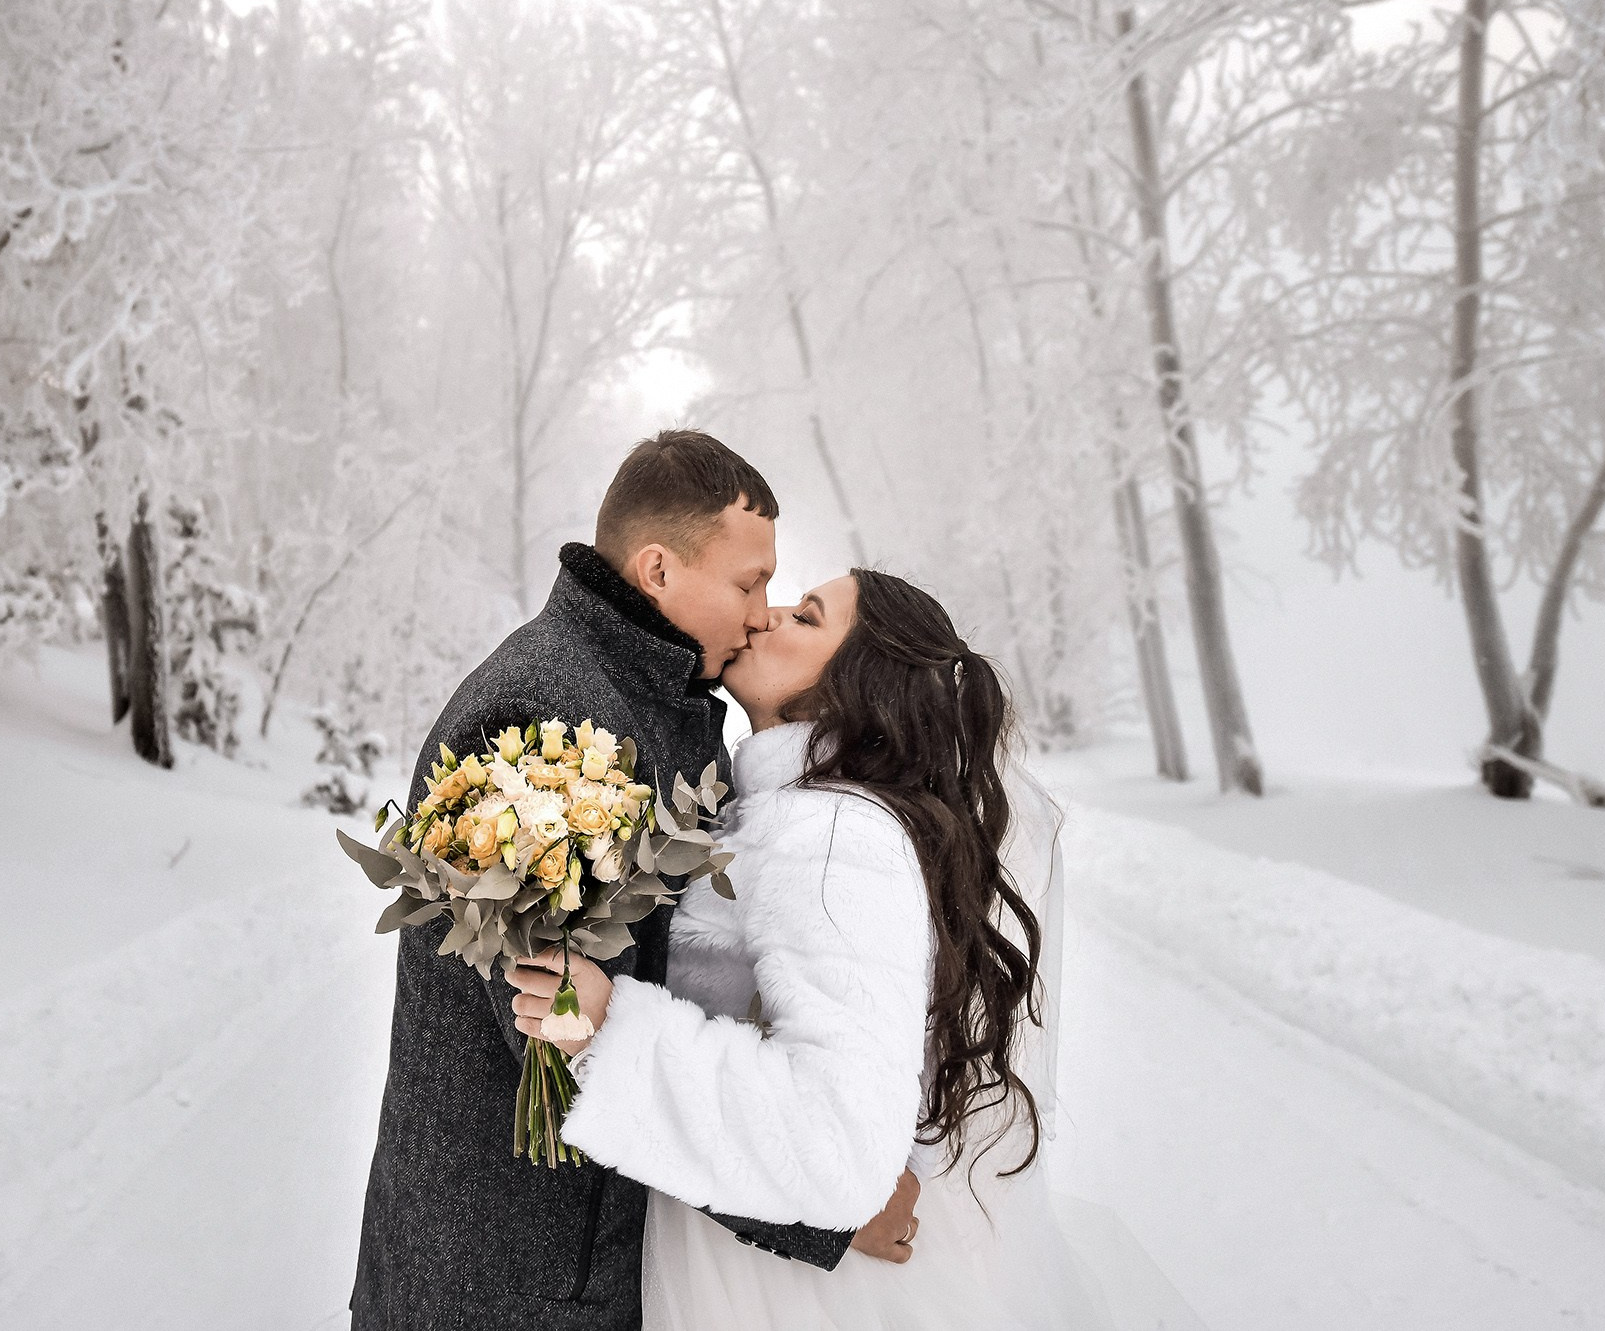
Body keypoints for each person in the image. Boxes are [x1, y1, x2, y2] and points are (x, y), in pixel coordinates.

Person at [511, 568, 1207, 1330]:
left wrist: (614, 1031)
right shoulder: (783, 813)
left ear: (853, 690)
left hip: (781, 1293)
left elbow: (834, 1140)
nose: (769, 615)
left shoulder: (833, 835)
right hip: (741, 1250)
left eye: (806, 617)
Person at [348, 432, 918, 1331]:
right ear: (657, 570)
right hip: (498, 1285)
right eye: (747, 583)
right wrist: (824, 1215)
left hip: (578, 1269)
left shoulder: (662, 703)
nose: (761, 612)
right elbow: (560, 1037)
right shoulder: (545, 713)